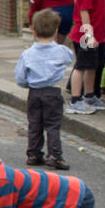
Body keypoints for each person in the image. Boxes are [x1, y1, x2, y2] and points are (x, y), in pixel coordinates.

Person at [16, 10, 76, 169]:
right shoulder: (61, 51)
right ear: (56, 31)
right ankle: (55, 155)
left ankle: (34, 153)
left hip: (34, 93)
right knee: (53, 125)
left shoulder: (27, 53)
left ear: (33, 31)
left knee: (34, 123)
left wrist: (28, 83)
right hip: (53, 92)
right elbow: (69, 58)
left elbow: (20, 77)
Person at [66, 0, 105, 115]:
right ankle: (75, 100)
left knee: (92, 66)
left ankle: (89, 96)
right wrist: (89, 36)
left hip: (95, 33)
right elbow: (84, 10)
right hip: (86, 35)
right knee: (81, 66)